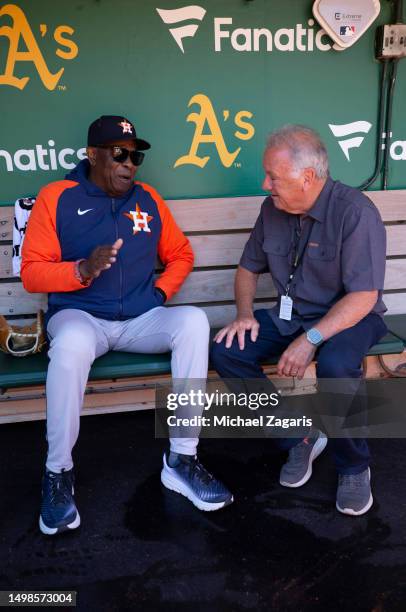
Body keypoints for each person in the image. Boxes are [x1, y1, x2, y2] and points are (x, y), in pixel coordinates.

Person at [21, 114, 233, 535]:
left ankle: (182, 459)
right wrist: (81, 269)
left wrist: (158, 296)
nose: (129, 164)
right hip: (81, 316)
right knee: (69, 348)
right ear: (93, 155)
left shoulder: (148, 199)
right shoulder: (57, 197)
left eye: (135, 156)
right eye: (119, 154)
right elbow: (32, 274)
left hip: (140, 319)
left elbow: (182, 254)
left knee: (192, 322)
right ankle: (58, 472)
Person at [210, 124, 387, 516]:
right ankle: (297, 437)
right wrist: (243, 315)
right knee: (226, 350)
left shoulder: (355, 212)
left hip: (352, 318)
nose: (265, 183)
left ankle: (354, 466)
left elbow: (363, 297)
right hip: (293, 316)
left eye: (273, 176)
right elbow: (246, 268)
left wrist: (310, 340)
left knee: (337, 364)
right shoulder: (272, 209)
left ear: (307, 177)